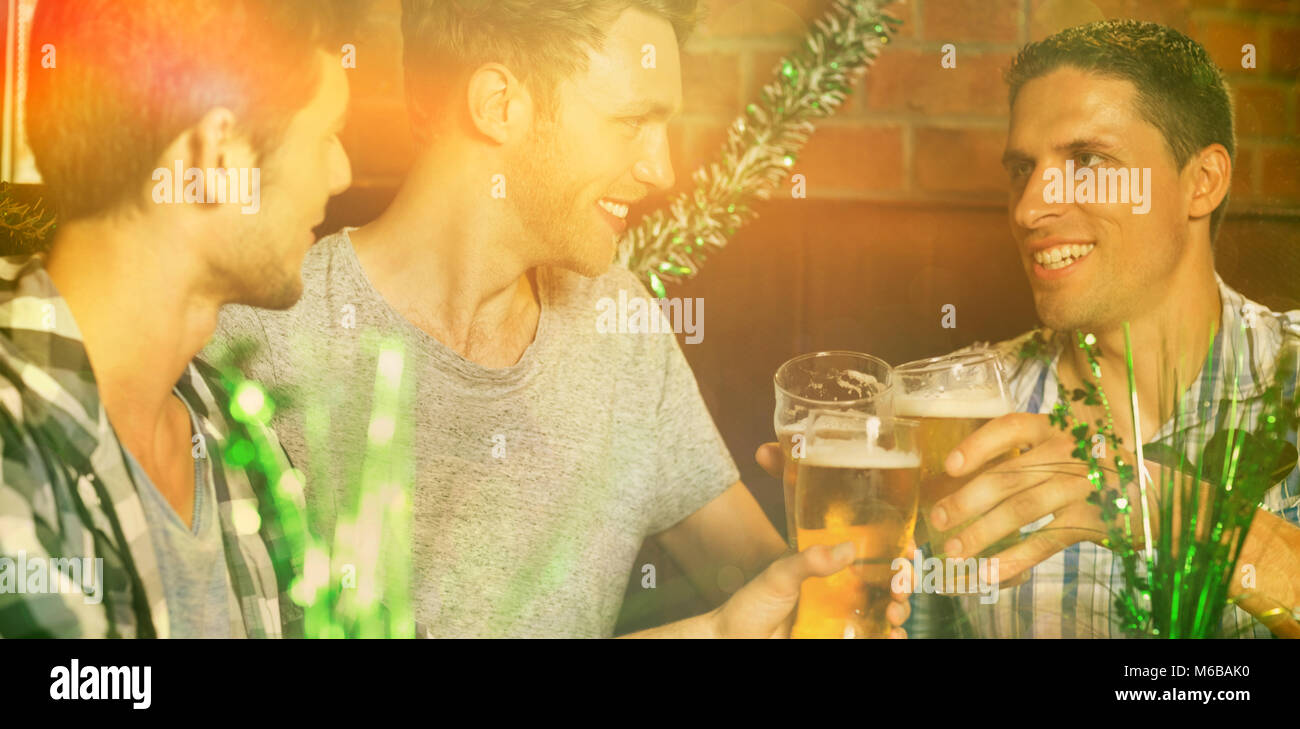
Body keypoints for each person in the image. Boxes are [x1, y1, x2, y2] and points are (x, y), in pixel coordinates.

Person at [207, 0, 908, 638]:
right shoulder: (262, 333)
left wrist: (860, 551)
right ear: (499, 104)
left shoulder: (618, 321)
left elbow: (767, 584)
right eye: (634, 122)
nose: (662, 168)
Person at [760, 19, 1300, 639]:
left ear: (1200, 183)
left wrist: (1181, 513)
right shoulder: (958, 419)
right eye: (1022, 169)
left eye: (1088, 160)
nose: (1029, 208)